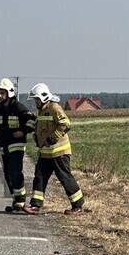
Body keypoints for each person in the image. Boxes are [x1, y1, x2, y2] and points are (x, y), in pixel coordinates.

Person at [23, 82, 85, 215]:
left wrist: (52, 138)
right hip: (45, 153)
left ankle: (78, 205)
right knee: (39, 178)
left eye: (37, 99)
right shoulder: (42, 111)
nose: (35, 102)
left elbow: (65, 124)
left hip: (59, 153)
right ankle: (35, 206)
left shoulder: (54, 108)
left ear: (44, 97)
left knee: (64, 177)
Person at [0, 77, 35, 213]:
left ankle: (21, 200)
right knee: (7, 174)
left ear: (9, 92)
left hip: (16, 145)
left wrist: (23, 132)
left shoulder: (19, 108)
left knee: (14, 171)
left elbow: (32, 121)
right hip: (3, 145)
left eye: (2, 93)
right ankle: (16, 199)